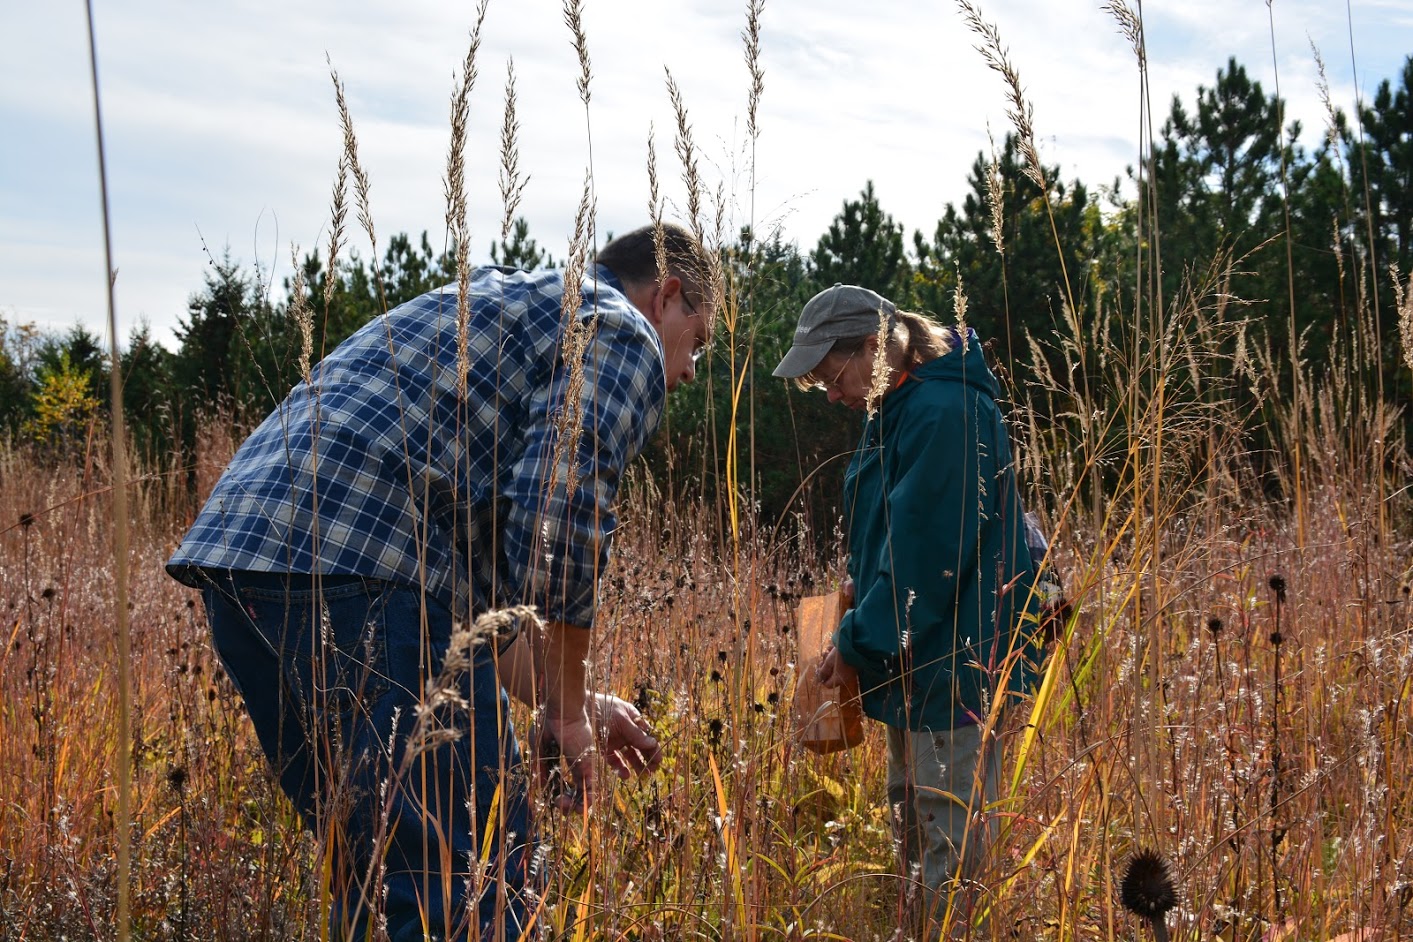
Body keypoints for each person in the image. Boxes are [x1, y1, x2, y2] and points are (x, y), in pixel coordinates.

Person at [167, 223, 716, 941]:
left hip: (247, 563)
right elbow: (561, 506)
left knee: (376, 876)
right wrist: (565, 716)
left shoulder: (507, 299)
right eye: (697, 341)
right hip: (361, 570)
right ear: (667, 294)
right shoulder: (620, 329)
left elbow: (466, 612)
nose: (689, 371)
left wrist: (572, 697)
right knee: (472, 885)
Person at [773, 284, 1040, 928]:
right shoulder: (897, 407)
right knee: (912, 830)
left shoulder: (945, 412)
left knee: (949, 849)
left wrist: (856, 639)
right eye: (818, 385)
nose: (831, 395)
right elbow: (890, 538)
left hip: (955, 667)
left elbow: (925, 561)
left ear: (875, 344)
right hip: (913, 659)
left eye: (830, 375)